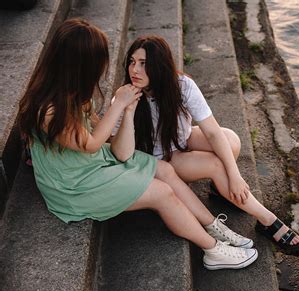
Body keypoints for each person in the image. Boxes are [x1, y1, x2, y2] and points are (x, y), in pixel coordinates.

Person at [17, 19, 258, 270]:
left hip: (93, 160)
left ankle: (213, 226)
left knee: (165, 171)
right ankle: (212, 250)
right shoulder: (50, 110)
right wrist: (119, 105)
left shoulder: (71, 91)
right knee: (162, 193)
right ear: (78, 64)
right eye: (97, 62)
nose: (101, 69)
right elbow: (91, 143)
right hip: (73, 181)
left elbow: (119, 151)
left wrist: (129, 111)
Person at [119, 35, 299, 248]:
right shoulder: (126, 96)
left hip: (182, 139)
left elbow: (213, 132)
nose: (135, 70)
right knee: (215, 164)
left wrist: (235, 176)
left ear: (159, 65)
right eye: (132, 62)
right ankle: (267, 220)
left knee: (230, 140)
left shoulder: (181, 85)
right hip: (162, 158)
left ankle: (221, 190)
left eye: (143, 64)